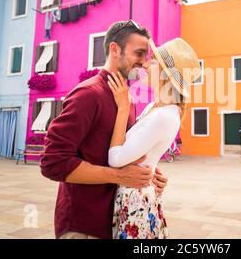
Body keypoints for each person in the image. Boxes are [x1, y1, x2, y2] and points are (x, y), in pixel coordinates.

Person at [40, 20, 169, 239]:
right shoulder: (87, 94)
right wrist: (119, 175)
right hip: (83, 226)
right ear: (114, 49)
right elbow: (52, 163)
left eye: (145, 56)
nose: (143, 63)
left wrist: (148, 173)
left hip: (115, 221)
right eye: (138, 53)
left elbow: (123, 151)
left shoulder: (127, 100)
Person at [107, 37, 201, 239]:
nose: (146, 64)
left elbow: (115, 159)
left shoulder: (164, 116)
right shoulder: (154, 108)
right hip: (134, 196)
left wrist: (123, 108)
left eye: (153, 61)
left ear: (166, 75)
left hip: (136, 204)